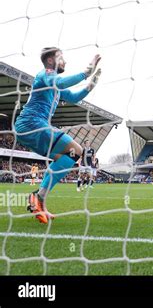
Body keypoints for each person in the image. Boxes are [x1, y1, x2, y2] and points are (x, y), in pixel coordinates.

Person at [14, 47, 101, 223]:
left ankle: (39, 201)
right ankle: (39, 197)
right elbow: (60, 83)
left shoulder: (55, 87)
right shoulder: (45, 74)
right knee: (76, 149)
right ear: (51, 61)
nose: (65, 62)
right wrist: (86, 72)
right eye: (62, 58)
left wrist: (92, 84)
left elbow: (75, 97)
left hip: (33, 128)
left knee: (68, 157)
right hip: (31, 124)